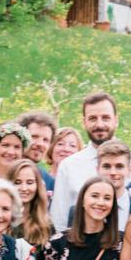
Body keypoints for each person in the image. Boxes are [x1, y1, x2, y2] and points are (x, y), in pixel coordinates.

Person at [50, 92, 125, 232]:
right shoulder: (69, 166)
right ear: (84, 122)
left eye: (105, 118)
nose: (99, 124)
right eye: (92, 118)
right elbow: (59, 219)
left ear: (116, 120)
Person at [6, 158, 54, 247]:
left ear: (37, 185)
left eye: (29, 182)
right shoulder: (0, 219)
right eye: (17, 182)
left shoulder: (46, 224)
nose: (24, 188)